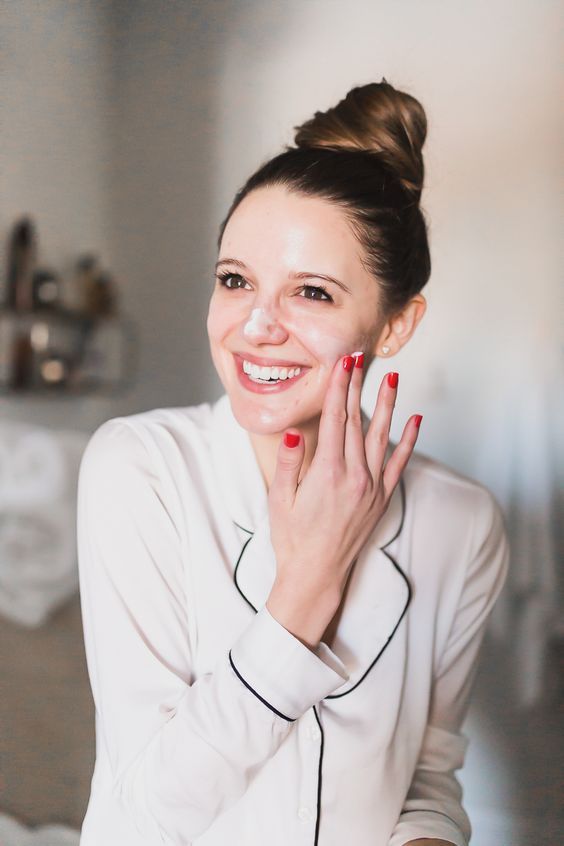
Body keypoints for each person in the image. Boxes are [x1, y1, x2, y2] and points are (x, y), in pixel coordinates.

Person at [76, 80, 509, 846]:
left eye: (311, 291)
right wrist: (305, 587)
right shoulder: (141, 471)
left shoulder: (461, 523)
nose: (256, 325)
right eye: (235, 279)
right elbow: (135, 822)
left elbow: (427, 779)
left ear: (396, 324)